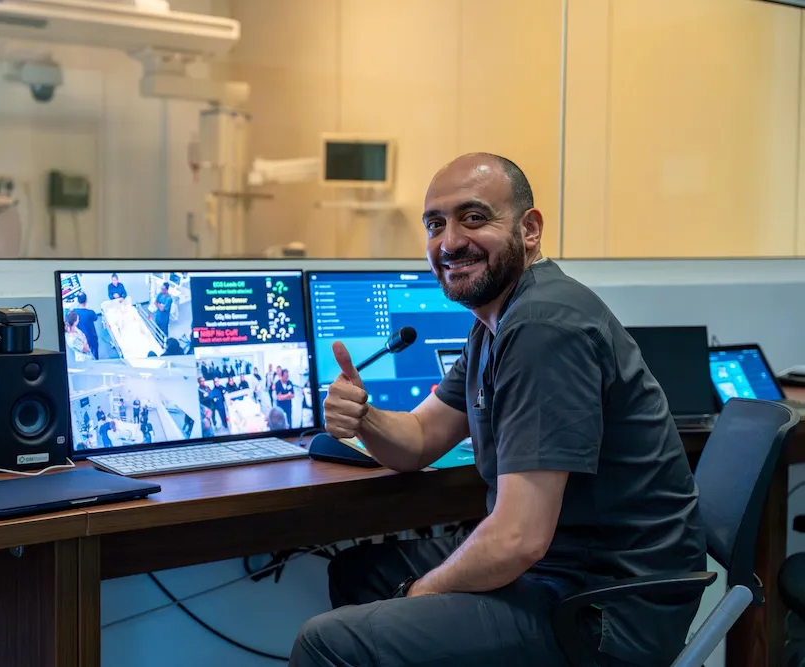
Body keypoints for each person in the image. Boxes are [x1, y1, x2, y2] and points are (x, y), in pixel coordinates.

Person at [290, 153, 706, 667]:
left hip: (605, 606)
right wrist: (363, 418)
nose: (449, 242)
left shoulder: (543, 327)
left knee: (326, 643)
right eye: (435, 224)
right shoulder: (496, 321)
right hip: (561, 569)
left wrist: (419, 596)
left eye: (474, 218)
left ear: (529, 231)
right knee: (357, 573)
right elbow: (421, 437)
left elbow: (516, 539)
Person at [73, 293, 100, 361]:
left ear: (77, 301)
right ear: (86, 300)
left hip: (80, 338)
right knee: (95, 352)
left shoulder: (74, 312)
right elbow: (95, 318)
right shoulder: (90, 312)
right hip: (91, 337)